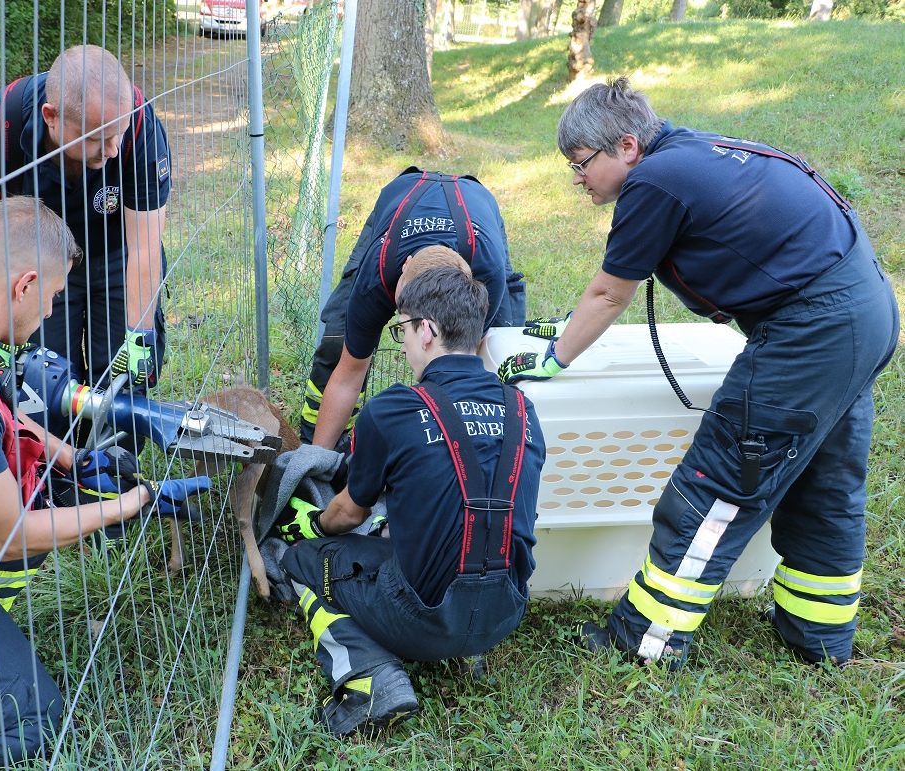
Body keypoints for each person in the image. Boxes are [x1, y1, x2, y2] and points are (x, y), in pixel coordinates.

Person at [498, 77, 899, 668]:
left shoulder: (655, 182)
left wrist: (554, 358)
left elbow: (610, 293)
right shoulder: (690, 154)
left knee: (718, 484)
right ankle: (819, 637)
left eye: (580, 164)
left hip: (814, 329)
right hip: (864, 309)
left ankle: (645, 639)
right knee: (827, 481)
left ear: (626, 147)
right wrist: (562, 327)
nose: (577, 178)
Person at [0, 197, 209, 765]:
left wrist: (69, 458)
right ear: (25, 285)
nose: (52, 311)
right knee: (34, 720)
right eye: (53, 296)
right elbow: (13, 535)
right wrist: (134, 502)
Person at [278, 266, 546, 736]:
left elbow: (348, 514)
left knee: (302, 560)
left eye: (401, 329)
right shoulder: (524, 410)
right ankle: (468, 651)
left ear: (427, 330)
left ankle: (370, 678)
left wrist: (314, 525)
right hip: (506, 613)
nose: (400, 344)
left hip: (421, 619)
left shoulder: (394, 409)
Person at [0, 44, 171, 393]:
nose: (112, 150)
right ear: (50, 116)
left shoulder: (139, 128)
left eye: (116, 135)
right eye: (96, 138)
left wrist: (139, 336)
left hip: (118, 255)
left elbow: (145, 247)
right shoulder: (0, 125)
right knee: (44, 383)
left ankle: (114, 447)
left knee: (122, 390)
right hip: (41, 266)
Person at [301, 166, 526, 450]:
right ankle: (315, 440)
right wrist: (316, 460)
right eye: (402, 324)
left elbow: (469, 361)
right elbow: (349, 374)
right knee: (339, 339)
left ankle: (481, 446)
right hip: (403, 195)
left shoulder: (486, 278)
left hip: (476, 205)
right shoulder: (376, 277)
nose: (404, 348)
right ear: (404, 269)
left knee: (500, 350)